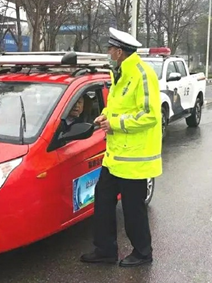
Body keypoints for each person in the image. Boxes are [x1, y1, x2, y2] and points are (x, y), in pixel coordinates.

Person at [81, 27, 162, 268]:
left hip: (135, 158)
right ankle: (105, 250)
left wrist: (114, 123)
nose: (107, 53)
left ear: (119, 51)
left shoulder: (142, 74)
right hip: (115, 156)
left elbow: (150, 115)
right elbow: (118, 107)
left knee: (132, 209)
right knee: (103, 200)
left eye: (109, 50)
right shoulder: (119, 73)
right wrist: (105, 116)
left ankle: (142, 252)